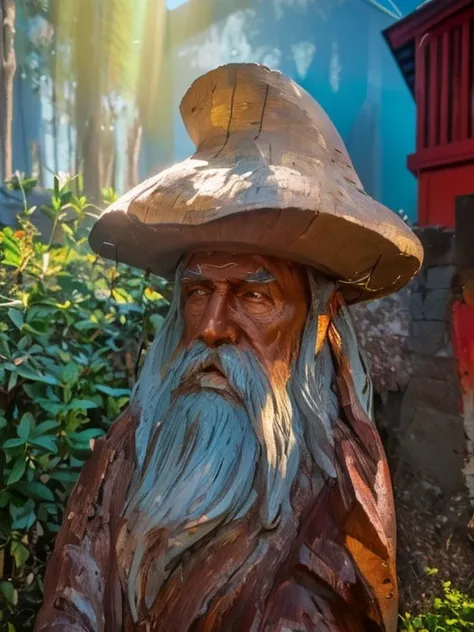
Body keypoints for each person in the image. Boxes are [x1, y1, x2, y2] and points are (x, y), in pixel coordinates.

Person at [35, 63, 423, 632]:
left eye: (254, 296)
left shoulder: (338, 510)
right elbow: (73, 595)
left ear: (319, 320)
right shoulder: (129, 450)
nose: (214, 325)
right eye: (197, 293)